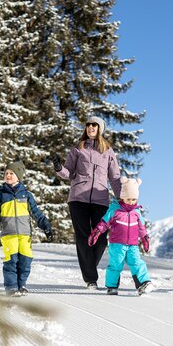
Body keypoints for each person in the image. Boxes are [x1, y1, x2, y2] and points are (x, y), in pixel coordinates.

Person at [52, 116, 122, 289]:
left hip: (100, 199)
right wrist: (59, 169)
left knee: (101, 240)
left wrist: (121, 198)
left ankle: (89, 267)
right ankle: (91, 279)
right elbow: (70, 173)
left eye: (94, 125)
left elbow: (114, 177)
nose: (91, 127)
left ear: (100, 129)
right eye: (88, 124)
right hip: (78, 198)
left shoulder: (108, 151)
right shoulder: (78, 148)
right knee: (83, 238)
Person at [0, 161, 53, 297]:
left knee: (25, 260)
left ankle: (21, 284)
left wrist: (46, 226)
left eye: (12, 173)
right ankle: (11, 287)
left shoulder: (27, 196)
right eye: (6, 173)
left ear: (18, 176)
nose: (8, 176)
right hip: (8, 234)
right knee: (11, 261)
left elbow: (36, 213)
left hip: (25, 234)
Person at [87, 177, 153, 296]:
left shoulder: (136, 212)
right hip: (117, 245)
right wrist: (96, 232)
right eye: (128, 199)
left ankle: (143, 283)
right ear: (122, 196)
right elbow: (104, 223)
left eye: (134, 199)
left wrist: (145, 238)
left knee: (137, 263)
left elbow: (141, 227)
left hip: (132, 245)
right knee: (115, 265)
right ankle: (112, 287)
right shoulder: (114, 210)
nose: (131, 202)